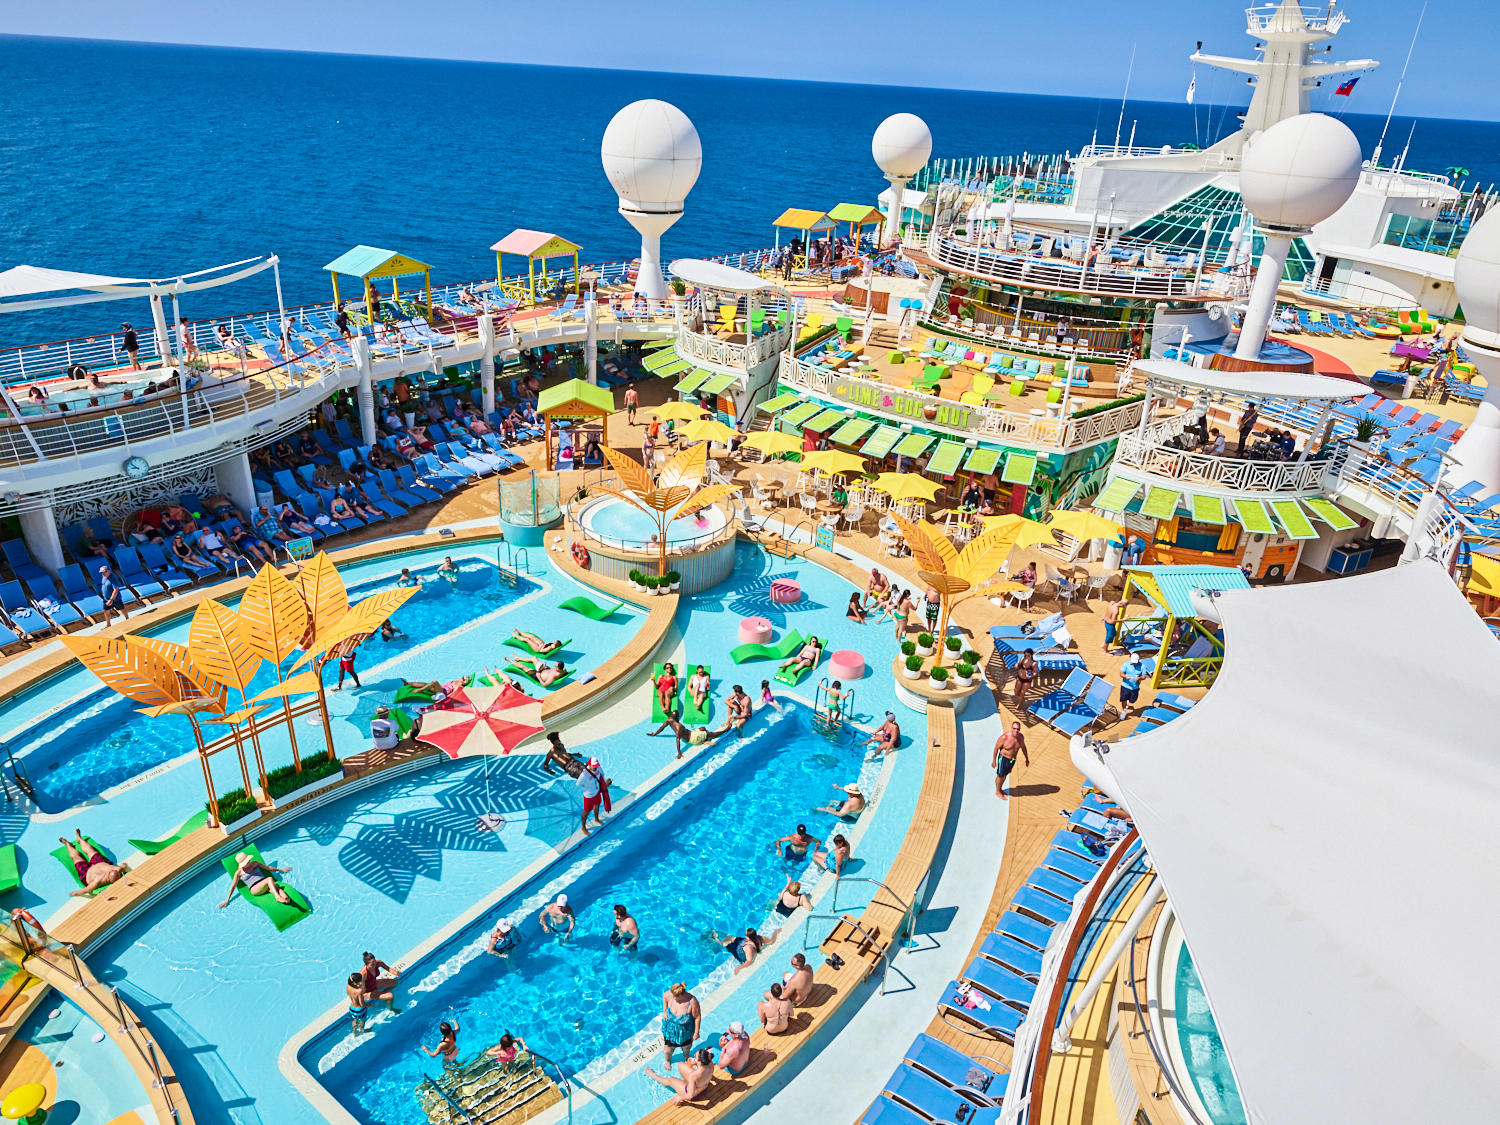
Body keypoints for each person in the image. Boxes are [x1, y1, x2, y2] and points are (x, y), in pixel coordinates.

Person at [59, 830, 128, 896]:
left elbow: (87, 890)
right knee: (91, 850)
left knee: (75, 858)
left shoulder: (98, 880)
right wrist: (123, 866)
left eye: (110, 873)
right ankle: (79, 839)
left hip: (85, 871)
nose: (110, 870)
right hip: (100, 862)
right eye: (113, 870)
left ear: (107, 879)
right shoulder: (118, 870)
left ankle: (68, 844)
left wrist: (74, 893)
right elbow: (124, 867)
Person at [218, 850, 295, 908]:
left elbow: (268, 868)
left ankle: (286, 899)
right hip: (255, 889)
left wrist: (281, 870)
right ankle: (277, 897)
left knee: (280, 891)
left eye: (248, 860)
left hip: (265, 885)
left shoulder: (254, 863)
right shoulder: (238, 873)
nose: (248, 862)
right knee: (270, 879)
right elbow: (233, 886)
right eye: (246, 862)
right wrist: (227, 900)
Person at [647, 1048, 714, 1105]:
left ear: (700, 1062)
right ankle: (686, 1083)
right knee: (680, 1065)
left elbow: (690, 1095)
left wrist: (680, 1098)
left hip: (693, 1094)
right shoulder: (710, 1063)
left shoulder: (693, 1075)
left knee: (670, 1080)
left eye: (695, 1056)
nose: (694, 1055)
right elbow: (702, 1070)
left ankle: (653, 1075)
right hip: (704, 1087)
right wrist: (695, 1063)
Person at [660, 983, 701, 1068]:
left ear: (682, 994)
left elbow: (697, 1017)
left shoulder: (692, 1001)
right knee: (668, 1050)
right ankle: (667, 1060)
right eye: (673, 996)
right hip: (670, 1032)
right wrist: (664, 1011)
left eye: (676, 997)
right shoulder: (670, 994)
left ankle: (686, 1057)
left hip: (685, 1033)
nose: (673, 998)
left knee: (686, 1048)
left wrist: (696, 1032)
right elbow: (664, 996)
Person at [992, 722, 1031, 800]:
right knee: (1000, 776)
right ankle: (997, 792)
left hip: (1012, 760)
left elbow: (1023, 747)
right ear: (1011, 728)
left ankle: (1000, 789)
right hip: (1003, 759)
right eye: (1014, 728)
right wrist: (994, 761)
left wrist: (1026, 758)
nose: (1016, 731)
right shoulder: (1004, 738)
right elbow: (996, 748)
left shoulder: (1021, 737)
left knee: (1005, 775)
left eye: (1018, 729)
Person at [577, 756, 611, 834]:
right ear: (590, 765)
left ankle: (596, 818)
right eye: (594, 766)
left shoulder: (598, 768)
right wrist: (586, 786)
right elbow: (578, 784)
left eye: (596, 766)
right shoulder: (584, 774)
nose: (596, 768)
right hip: (588, 796)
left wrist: (603, 784)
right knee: (586, 812)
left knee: (597, 806)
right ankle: (583, 828)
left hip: (597, 792)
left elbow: (602, 774)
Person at [1119, 652, 1144, 719]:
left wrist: (1139, 678)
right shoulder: (1126, 664)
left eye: (1135, 662)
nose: (1134, 663)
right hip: (1125, 685)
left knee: (1133, 700)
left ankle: (1128, 701)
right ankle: (1124, 711)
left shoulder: (1142, 666)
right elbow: (1121, 674)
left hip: (1135, 687)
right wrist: (1125, 676)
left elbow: (1144, 676)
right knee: (1123, 699)